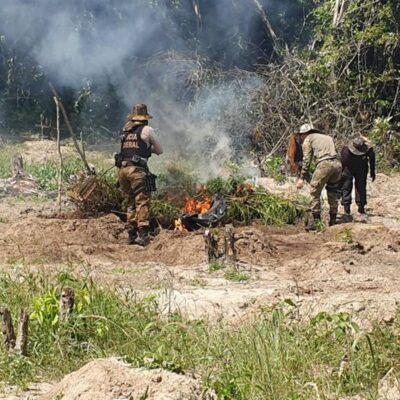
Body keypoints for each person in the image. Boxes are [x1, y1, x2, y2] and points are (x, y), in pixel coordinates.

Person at [116, 103, 163, 246]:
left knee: (130, 201)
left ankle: (131, 234)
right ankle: (143, 235)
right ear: (145, 118)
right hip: (136, 170)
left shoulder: (125, 129)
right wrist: (149, 150)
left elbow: (127, 150)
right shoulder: (147, 130)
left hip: (122, 170)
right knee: (142, 201)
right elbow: (160, 150)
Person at [296, 124, 342, 230]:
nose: (301, 137)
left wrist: (302, 177)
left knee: (314, 191)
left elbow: (307, 160)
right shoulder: (327, 137)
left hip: (325, 164)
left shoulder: (308, 139)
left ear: (304, 134)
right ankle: (333, 221)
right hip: (338, 164)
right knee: (333, 191)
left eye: (301, 135)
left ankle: (316, 223)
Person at [341, 137, 376, 215]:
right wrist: (340, 175)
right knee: (346, 186)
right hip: (348, 168)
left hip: (362, 167)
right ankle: (346, 208)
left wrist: (372, 171)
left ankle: (361, 207)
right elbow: (342, 164)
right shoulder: (346, 151)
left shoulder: (368, 149)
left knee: (361, 187)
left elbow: (372, 158)